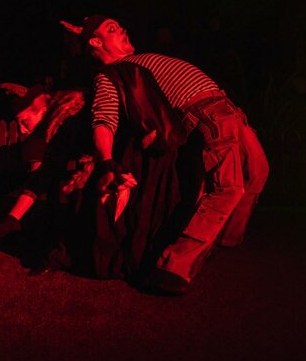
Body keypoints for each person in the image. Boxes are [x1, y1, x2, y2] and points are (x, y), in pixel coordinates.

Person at [79, 15, 269, 294]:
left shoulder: (136, 60)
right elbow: (103, 120)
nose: (121, 29)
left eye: (119, 26)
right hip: (206, 113)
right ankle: (172, 267)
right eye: (111, 29)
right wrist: (106, 160)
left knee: (258, 171)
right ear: (96, 42)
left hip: (228, 110)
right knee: (227, 187)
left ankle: (220, 240)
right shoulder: (110, 75)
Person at [0, 83, 92, 274]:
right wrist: (11, 219)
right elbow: (42, 176)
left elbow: (46, 172)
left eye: (24, 121)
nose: (22, 130)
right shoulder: (49, 124)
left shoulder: (67, 122)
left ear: (42, 110)